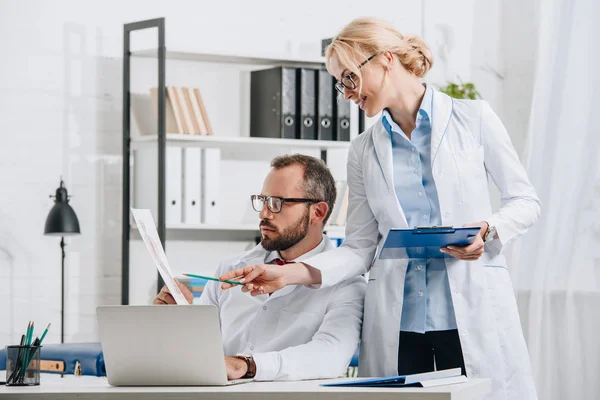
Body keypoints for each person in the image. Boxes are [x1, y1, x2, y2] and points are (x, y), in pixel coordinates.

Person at [220, 17, 541, 399]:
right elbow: (358, 248)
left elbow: (525, 201)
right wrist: (290, 274)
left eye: (350, 78)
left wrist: (487, 231)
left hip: (468, 310)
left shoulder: (473, 119)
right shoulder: (362, 151)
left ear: (385, 59)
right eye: (341, 84)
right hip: (400, 324)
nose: (347, 93)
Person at [154, 154, 366, 382]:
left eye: (277, 203)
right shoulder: (230, 268)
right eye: (262, 201)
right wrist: (178, 322)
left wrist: (248, 365)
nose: (264, 213)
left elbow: (330, 355)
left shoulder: (347, 283)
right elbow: (203, 357)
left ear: (318, 212)